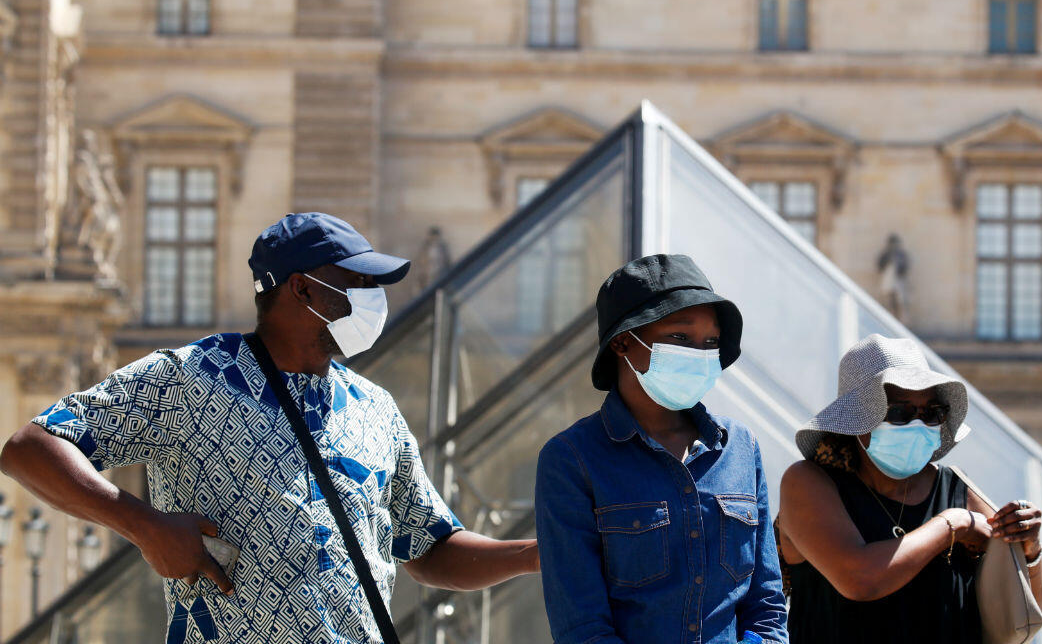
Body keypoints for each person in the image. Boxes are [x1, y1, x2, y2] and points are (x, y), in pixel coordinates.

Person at [0, 212, 539, 643]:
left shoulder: (375, 408)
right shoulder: (194, 377)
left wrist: (538, 554)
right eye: (358, 281)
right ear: (302, 290)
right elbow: (31, 447)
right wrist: (144, 526)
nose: (375, 296)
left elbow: (431, 549)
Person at [535, 254, 788, 644]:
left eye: (711, 342)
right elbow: (581, 628)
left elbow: (767, 606)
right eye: (680, 338)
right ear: (622, 341)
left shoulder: (740, 447)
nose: (700, 353)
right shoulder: (571, 459)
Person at [775, 334, 1042, 643]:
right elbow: (860, 580)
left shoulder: (958, 490)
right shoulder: (810, 484)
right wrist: (951, 525)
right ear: (858, 420)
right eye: (900, 413)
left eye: (932, 413)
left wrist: (1030, 552)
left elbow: (1025, 612)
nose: (918, 424)